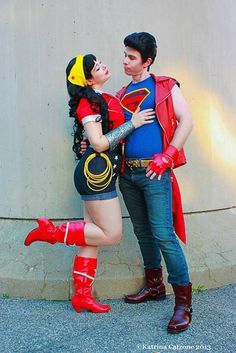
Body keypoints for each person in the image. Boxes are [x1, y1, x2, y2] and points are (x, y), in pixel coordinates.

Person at [24, 54, 155, 314]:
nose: (102, 66)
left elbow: (97, 139)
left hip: (100, 172)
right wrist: (133, 123)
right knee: (111, 233)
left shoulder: (103, 99)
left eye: (99, 62)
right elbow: (98, 143)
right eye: (95, 67)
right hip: (97, 175)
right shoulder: (87, 103)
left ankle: (82, 296)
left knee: (91, 238)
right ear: (87, 79)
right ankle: (52, 233)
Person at [115, 32, 194, 333]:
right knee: (143, 232)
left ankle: (183, 304)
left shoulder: (164, 87)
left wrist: (169, 155)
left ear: (146, 61)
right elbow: (117, 133)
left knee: (163, 234)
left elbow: (187, 120)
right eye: (125, 54)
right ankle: (154, 286)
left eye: (131, 57)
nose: (125, 60)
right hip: (128, 174)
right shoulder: (121, 93)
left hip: (155, 172)